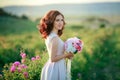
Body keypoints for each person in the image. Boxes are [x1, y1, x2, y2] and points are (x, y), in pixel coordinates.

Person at [38, 10, 74, 80]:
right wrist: (67, 55)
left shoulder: (51, 35)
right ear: (51, 21)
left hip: (56, 66)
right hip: (55, 68)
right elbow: (53, 59)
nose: (60, 23)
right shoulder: (54, 38)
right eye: (57, 20)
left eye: (62, 20)